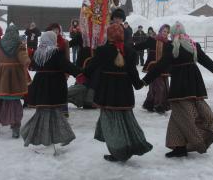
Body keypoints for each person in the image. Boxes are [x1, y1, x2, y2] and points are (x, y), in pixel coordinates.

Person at [142, 21, 213, 158]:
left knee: (184, 115)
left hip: (179, 87)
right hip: (194, 85)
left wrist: (145, 81)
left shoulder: (171, 46)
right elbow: (207, 62)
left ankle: (201, 139)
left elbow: (160, 66)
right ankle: (179, 147)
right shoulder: (193, 45)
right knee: (178, 116)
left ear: (173, 34)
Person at [84, 23, 152, 162]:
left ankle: (118, 151)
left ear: (109, 35)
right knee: (127, 121)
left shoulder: (102, 51)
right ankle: (134, 144)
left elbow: (89, 70)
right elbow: (133, 74)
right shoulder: (130, 52)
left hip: (107, 93)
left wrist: (86, 73)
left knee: (110, 123)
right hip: (125, 93)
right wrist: (140, 84)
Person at [21, 31, 82, 152]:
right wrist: (79, 73)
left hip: (40, 84)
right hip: (54, 85)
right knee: (50, 113)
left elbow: (32, 66)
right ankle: (44, 139)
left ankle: (56, 137)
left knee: (46, 112)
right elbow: (67, 66)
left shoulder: (38, 53)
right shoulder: (55, 52)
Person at [0, 25, 30, 138]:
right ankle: (15, 128)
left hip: (1, 78)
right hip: (15, 79)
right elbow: (23, 58)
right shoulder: (19, 47)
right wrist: (27, 60)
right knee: (15, 103)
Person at [134, 24, 171, 113]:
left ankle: (151, 103)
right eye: (164, 31)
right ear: (160, 31)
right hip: (153, 67)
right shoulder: (153, 40)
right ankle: (158, 105)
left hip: (163, 68)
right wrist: (130, 48)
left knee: (164, 86)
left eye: (167, 32)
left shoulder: (169, 43)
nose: (165, 33)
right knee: (158, 86)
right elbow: (141, 46)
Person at [46, 23, 70, 117]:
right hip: (50, 72)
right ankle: (51, 110)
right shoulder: (46, 42)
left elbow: (67, 58)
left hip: (61, 71)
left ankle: (63, 111)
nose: (56, 32)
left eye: (57, 30)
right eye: (54, 30)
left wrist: (67, 71)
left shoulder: (64, 42)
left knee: (62, 91)